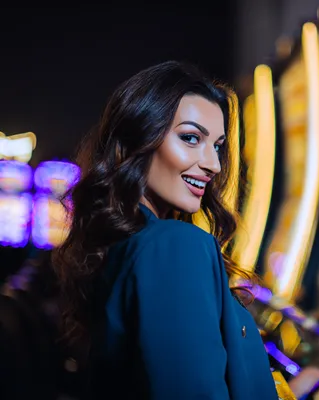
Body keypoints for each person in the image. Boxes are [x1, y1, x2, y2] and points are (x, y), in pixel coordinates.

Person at [52, 61, 278, 399]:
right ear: (138, 140)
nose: (214, 165)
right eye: (190, 138)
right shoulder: (174, 246)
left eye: (217, 145)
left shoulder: (130, 243)